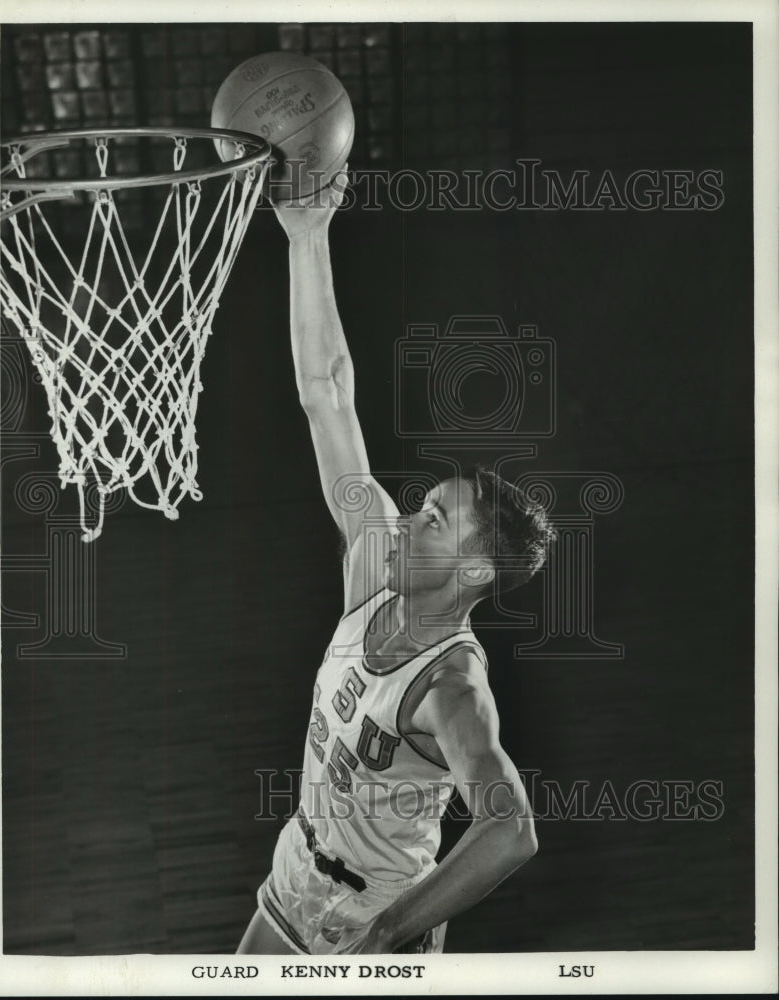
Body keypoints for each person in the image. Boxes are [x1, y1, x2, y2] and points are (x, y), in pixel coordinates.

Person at [236, 172, 554, 956]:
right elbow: (327, 396)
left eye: (437, 519)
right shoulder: (374, 563)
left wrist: (388, 932)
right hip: (294, 881)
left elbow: (511, 831)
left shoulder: (453, 690)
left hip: (375, 918)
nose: (410, 517)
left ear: (475, 569)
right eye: (423, 504)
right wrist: (307, 235)